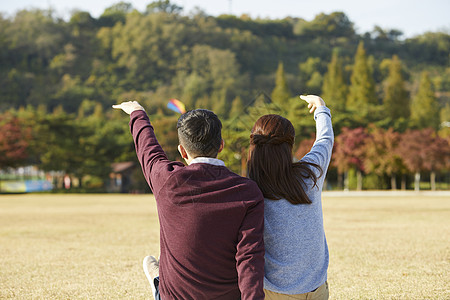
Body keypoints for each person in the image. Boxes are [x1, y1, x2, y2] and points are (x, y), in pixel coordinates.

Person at [113, 101, 265, 300]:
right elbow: (249, 257)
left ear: (182, 151)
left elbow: (148, 150)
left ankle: (158, 281)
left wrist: (137, 113)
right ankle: (158, 279)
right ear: (221, 145)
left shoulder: (166, 181)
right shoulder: (248, 192)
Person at [247, 95, 334, 300]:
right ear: (290, 145)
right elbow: (325, 139)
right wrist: (321, 108)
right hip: (317, 290)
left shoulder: (249, 190)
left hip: (273, 293)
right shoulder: (310, 175)